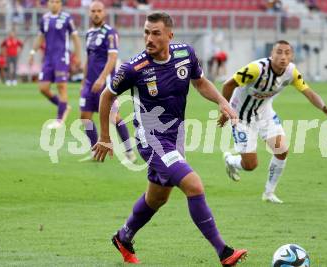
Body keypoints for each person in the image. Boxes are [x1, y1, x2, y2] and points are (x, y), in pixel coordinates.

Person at [92, 12, 247, 266]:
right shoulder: (133, 67)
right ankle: (224, 252)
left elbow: (200, 82)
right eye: (146, 32)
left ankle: (123, 237)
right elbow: (106, 97)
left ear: (169, 35)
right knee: (194, 185)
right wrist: (106, 137)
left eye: (155, 33)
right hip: (152, 140)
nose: (148, 38)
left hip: (175, 137)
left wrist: (222, 102)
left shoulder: (185, 53)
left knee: (157, 198)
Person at [219, 40, 327, 204]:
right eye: (279, 52)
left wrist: (324, 108)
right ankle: (230, 160)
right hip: (241, 117)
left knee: (281, 150)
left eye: (287, 53)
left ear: (292, 56)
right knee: (250, 165)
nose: (283, 56)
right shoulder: (256, 69)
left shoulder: (291, 72)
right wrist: (226, 110)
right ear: (271, 54)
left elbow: (308, 92)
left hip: (265, 114)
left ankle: (269, 193)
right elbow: (228, 85)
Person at [80, 1, 136, 162]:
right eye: (93, 11)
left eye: (99, 11)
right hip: (90, 83)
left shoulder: (110, 33)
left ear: (104, 13)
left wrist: (102, 78)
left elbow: (112, 58)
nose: (96, 13)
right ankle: (95, 150)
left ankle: (129, 151)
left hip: (105, 84)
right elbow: (88, 59)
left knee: (114, 117)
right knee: (85, 116)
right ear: (89, 13)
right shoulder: (89, 33)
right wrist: (84, 81)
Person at [28, 0, 81, 129]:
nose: (54, 4)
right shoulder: (45, 18)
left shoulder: (66, 18)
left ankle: (59, 120)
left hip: (61, 58)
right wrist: (32, 52)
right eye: (51, 2)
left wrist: (78, 55)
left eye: (57, 2)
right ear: (48, 4)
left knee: (61, 87)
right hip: (48, 59)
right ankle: (64, 106)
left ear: (60, 4)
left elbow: (75, 37)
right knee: (43, 88)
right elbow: (40, 37)